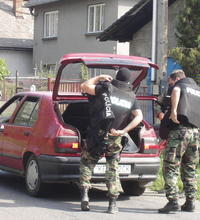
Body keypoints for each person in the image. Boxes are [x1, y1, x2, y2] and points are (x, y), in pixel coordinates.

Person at [79, 67, 143, 214]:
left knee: (87, 164)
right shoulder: (131, 96)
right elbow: (139, 117)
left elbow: (84, 86)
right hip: (115, 137)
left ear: (116, 77)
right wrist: (124, 131)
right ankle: (112, 204)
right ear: (128, 80)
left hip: (97, 134)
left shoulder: (105, 87)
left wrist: (99, 77)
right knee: (112, 170)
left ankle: (84, 197)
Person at [158, 69, 200, 213]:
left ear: (176, 79)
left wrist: (174, 111)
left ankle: (173, 202)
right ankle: (190, 202)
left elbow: (175, 90)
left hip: (180, 131)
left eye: (170, 82)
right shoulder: (197, 89)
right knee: (190, 168)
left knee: (170, 166)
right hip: (195, 132)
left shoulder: (179, 85)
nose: (169, 85)